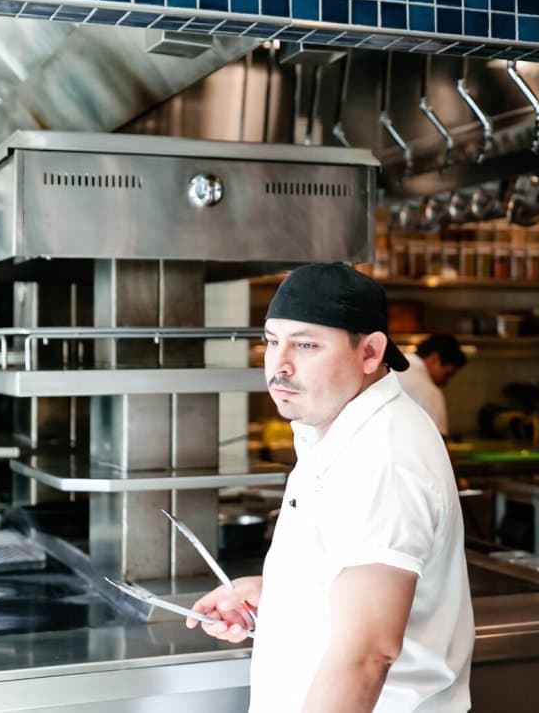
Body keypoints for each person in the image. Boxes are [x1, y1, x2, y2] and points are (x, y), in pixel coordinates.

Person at [190, 263, 474, 712]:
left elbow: (366, 655)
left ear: (370, 353)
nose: (279, 364)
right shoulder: (334, 425)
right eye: (271, 341)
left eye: (305, 344)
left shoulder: (384, 458)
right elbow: (346, 577)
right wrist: (279, 593)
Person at [396, 333, 467, 436]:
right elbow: (439, 441)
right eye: (447, 374)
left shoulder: (388, 367)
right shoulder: (430, 392)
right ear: (434, 359)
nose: (445, 382)